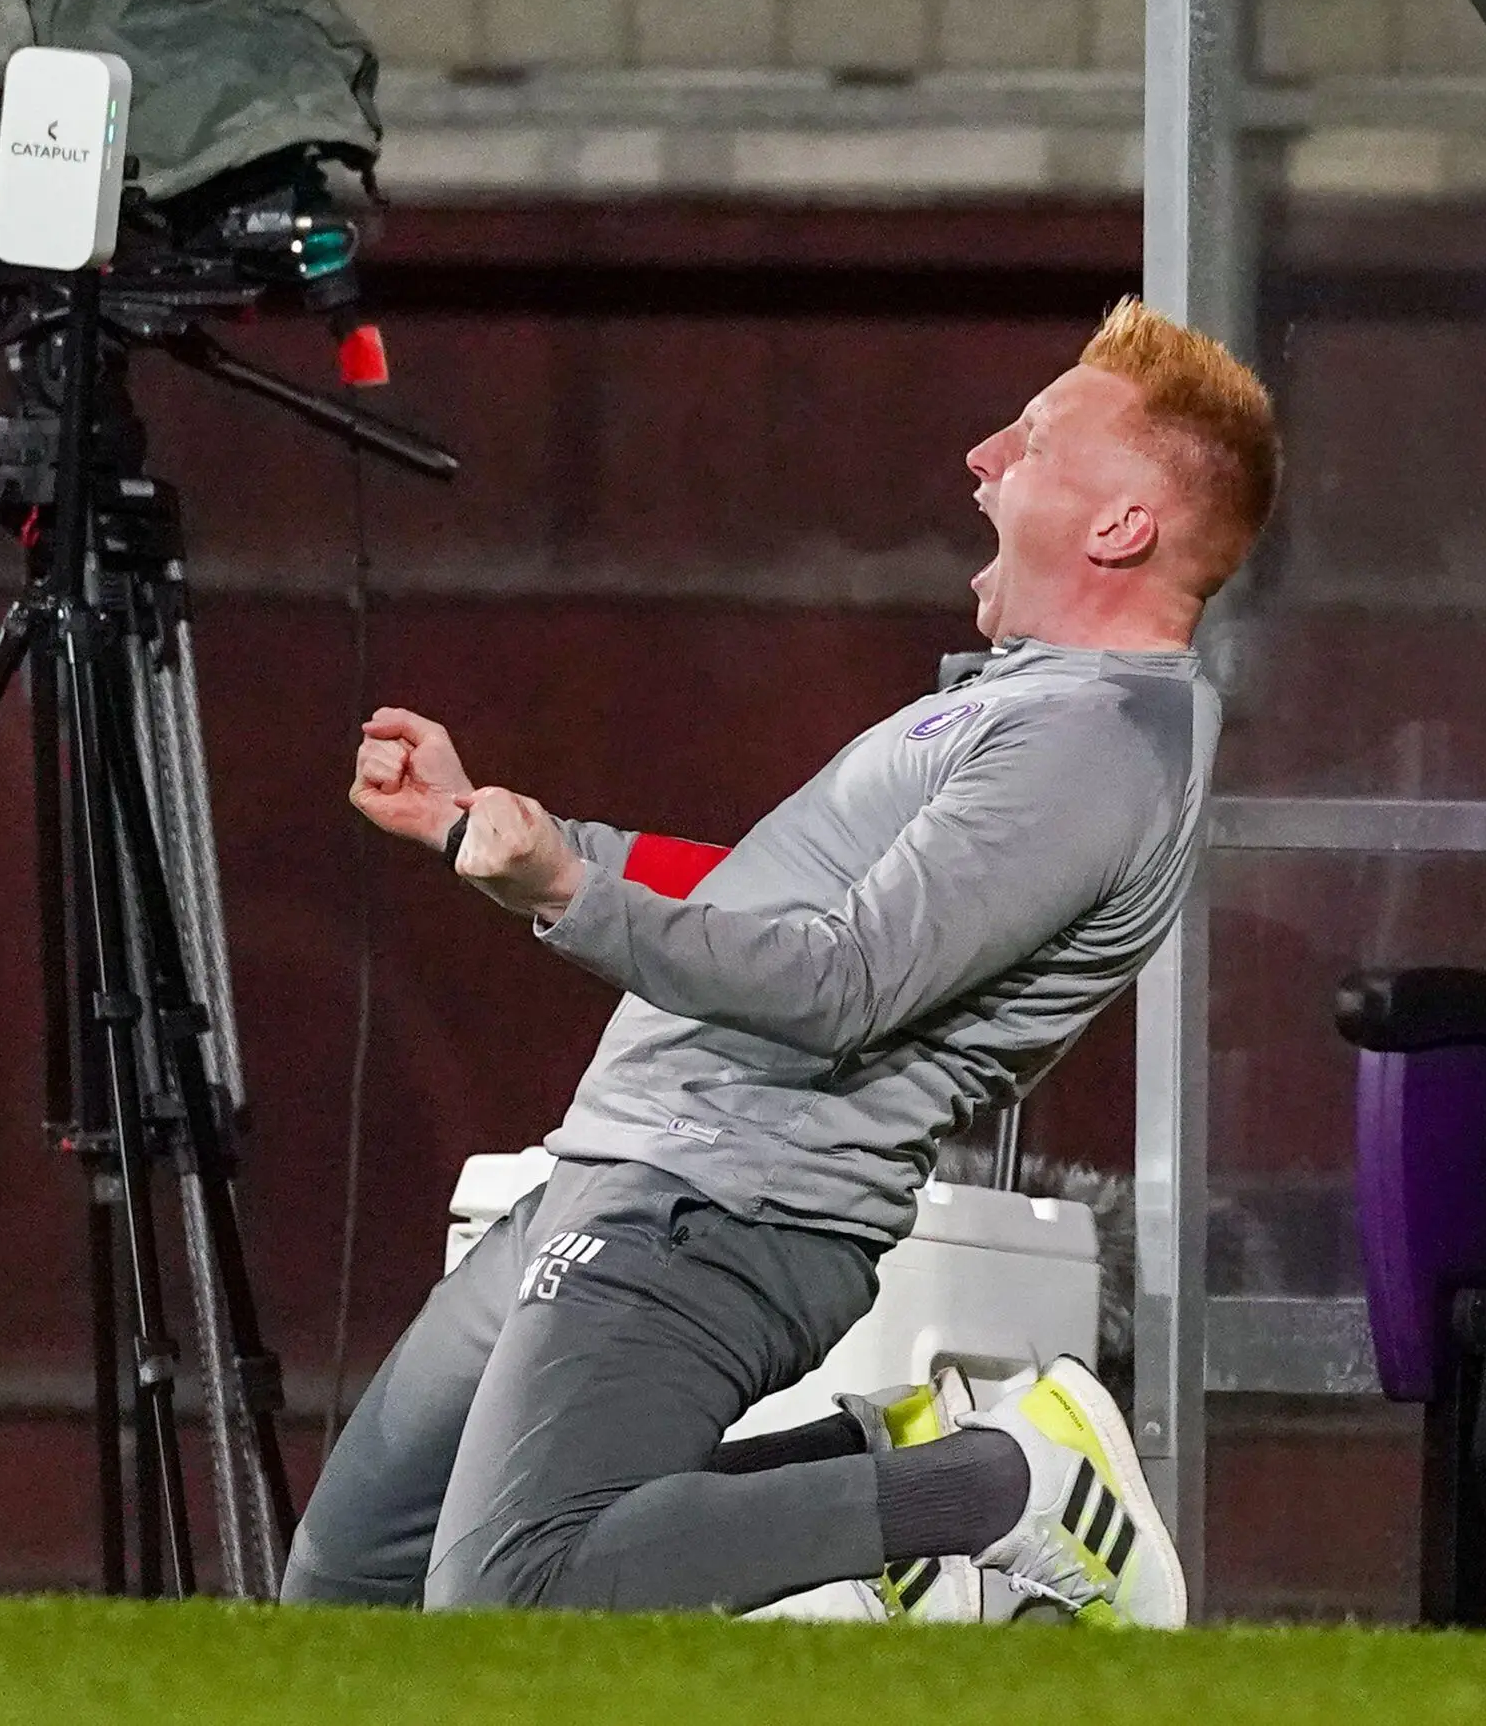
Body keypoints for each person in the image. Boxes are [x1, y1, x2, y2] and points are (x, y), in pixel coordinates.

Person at [284, 298, 1277, 1626]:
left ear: (1118, 527)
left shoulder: (1092, 741)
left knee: (514, 1585)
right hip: (625, 1166)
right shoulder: (1025, 707)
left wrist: (564, 889)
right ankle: (874, 1466)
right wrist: (502, 827)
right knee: (353, 1579)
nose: (983, 458)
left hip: (723, 1202)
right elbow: (762, 895)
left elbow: (838, 983)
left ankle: (997, 1487)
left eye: (1031, 442)